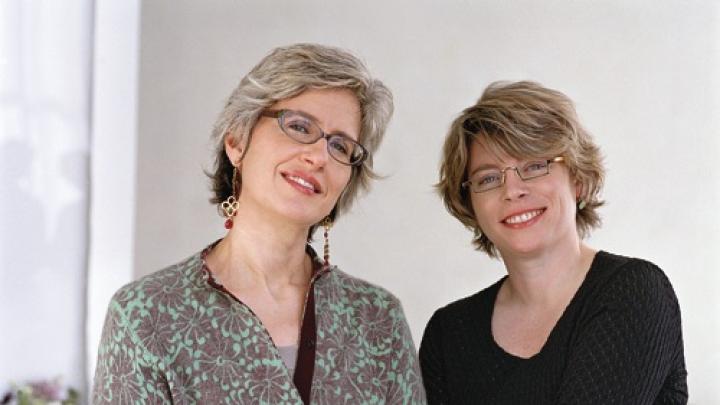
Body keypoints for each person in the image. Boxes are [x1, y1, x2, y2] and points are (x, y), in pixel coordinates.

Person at [93, 43, 425, 404]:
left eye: (341, 147)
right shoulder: (146, 316)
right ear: (236, 140)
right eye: (299, 126)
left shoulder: (378, 320)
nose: (318, 156)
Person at [419, 81, 688, 404]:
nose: (512, 190)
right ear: (470, 203)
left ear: (576, 178)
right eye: (488, 178)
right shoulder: (449, 334)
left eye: (534, 166)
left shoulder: (635, 291)